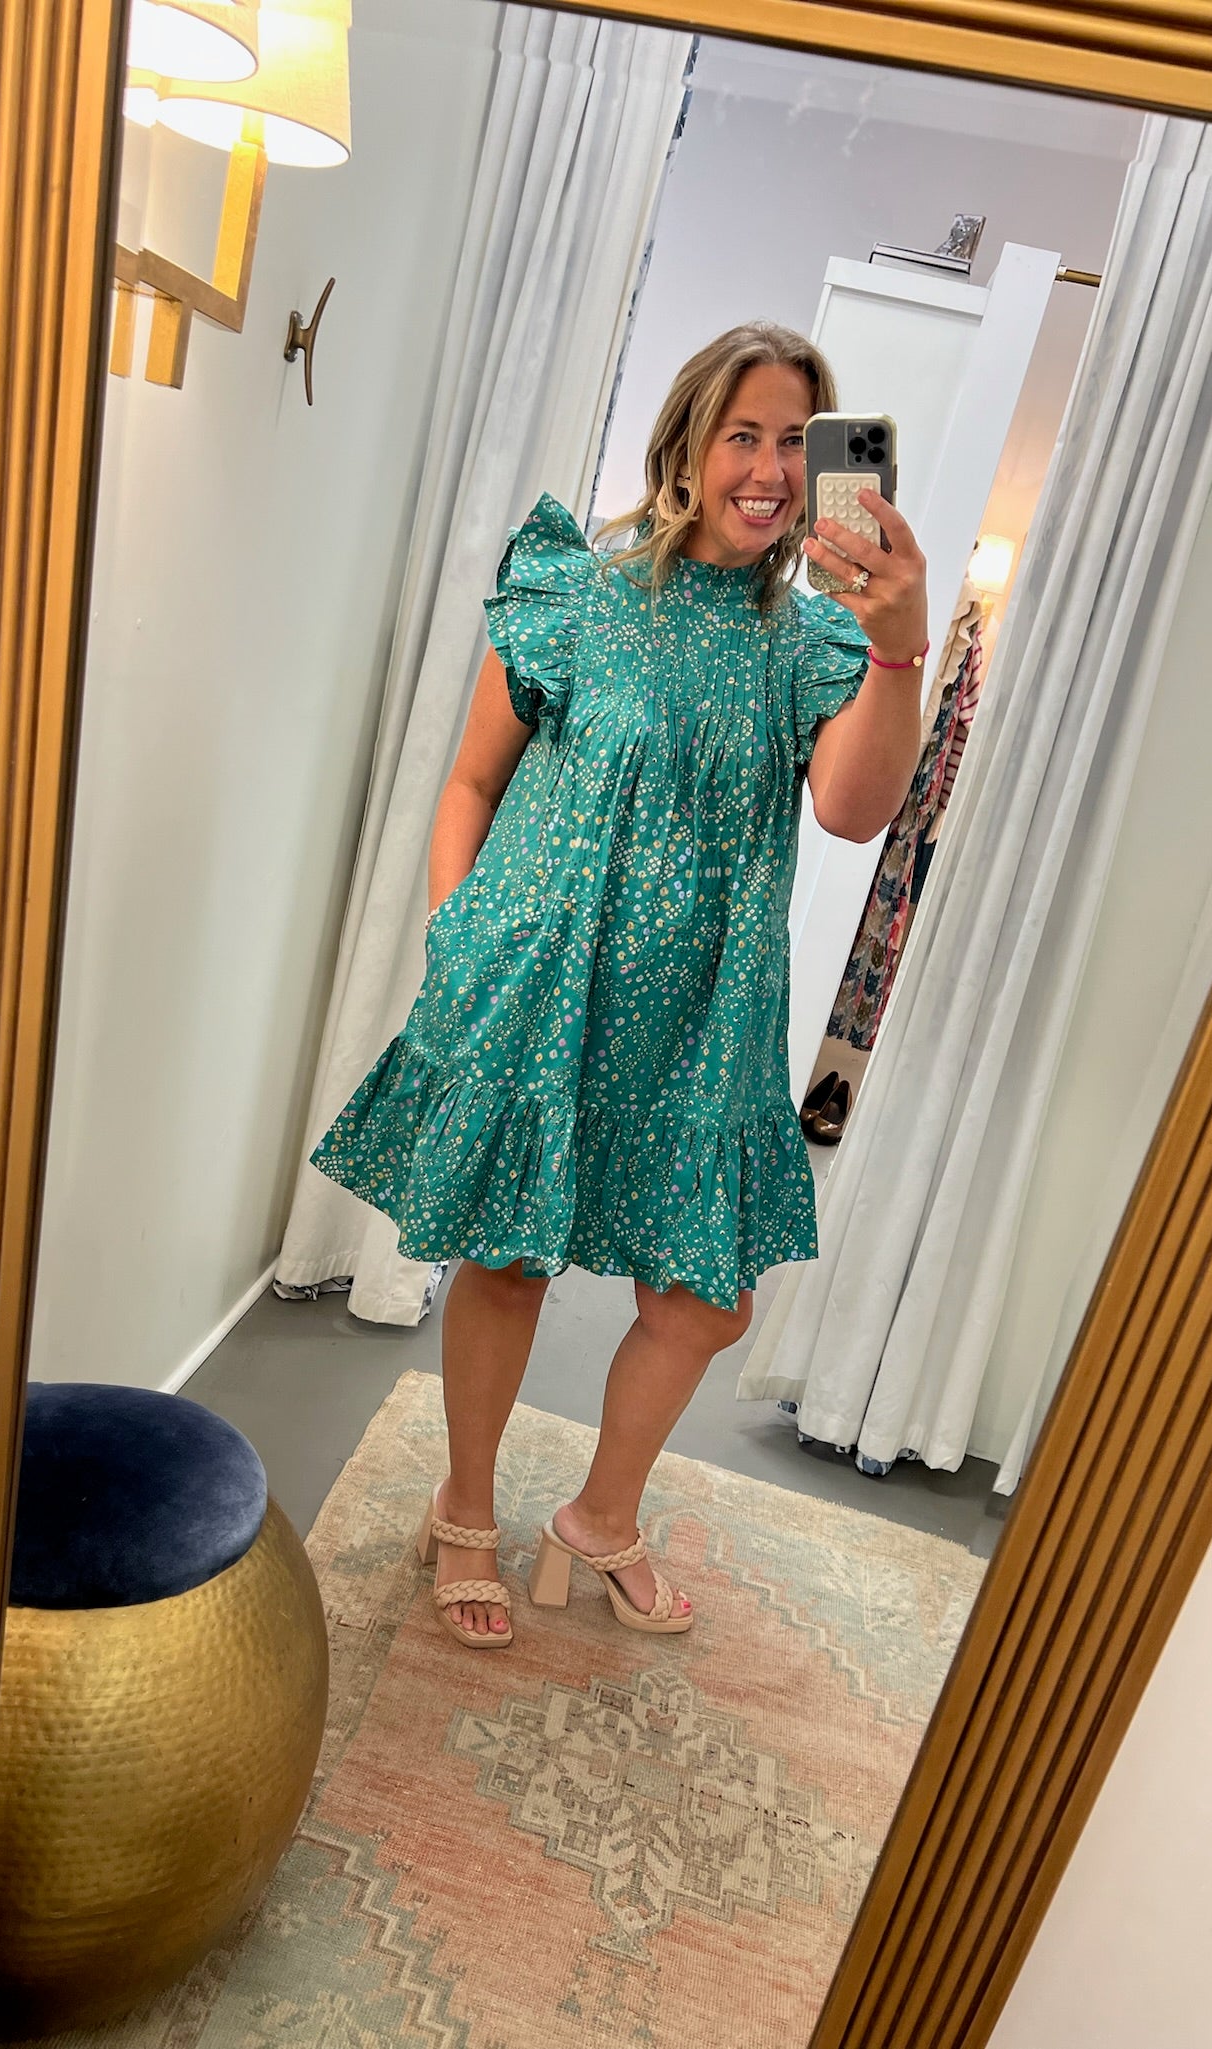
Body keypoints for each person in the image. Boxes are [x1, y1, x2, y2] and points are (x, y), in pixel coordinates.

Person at [312, 322, 929, 1648]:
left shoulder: (813, 639)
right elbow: (471, 781)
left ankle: (598, 1516)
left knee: (706, 1300)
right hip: (540, 980)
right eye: (743, 434)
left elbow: (852, 809)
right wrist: (459, 935)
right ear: (688, 445)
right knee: (506, 1257)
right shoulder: (575, 589)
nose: (769, 470)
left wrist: (900, 644)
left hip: (706, 1016)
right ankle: (464, 1507)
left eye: (796, 441)